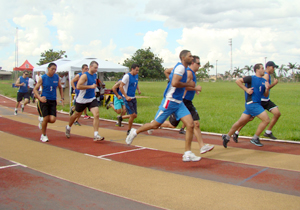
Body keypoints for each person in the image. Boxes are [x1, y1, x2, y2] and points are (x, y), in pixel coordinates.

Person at [126, 50, 201, 162]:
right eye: (190, 56)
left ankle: (187, 154)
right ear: (183, 57)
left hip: (179, 102)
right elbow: (175, 83)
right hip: (170, 101)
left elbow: (170, 76)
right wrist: (189, 84)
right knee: (155, 125)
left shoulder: (183, 69)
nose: (192, 57)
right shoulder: (180, 68)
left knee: (190, 125)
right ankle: (134, 132)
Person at [149, 56, 214, 154]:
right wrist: (195, 88)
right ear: (192, 63)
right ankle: (153, 124)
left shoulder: (191, 73)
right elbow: (184, 86)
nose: (199, 65)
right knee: (190, 124)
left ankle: (202, 146)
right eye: (198, 63)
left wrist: (194, 89)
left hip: (186, 102)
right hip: (182, 102)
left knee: (180, 124)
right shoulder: (188, 73)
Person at [222, 63, 270, 148]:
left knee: (240, 122)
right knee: (266, 120)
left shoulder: (264, 81)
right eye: (262, 68)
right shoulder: (251, 78)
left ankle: (227, 136)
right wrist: (246, 89)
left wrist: (267, 88)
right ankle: (255, 138)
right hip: (252, 103)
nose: (264, 70)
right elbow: (238, 81)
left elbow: (265, 95)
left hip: (256, 104)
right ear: (257, 70)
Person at [232, 61, 281, 141]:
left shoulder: (267, 75)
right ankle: (237, 132)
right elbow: (263, 88)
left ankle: (268, 131)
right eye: (273, 67)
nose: (274, 69)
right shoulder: (265, 76)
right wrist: (274, 84)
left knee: (277, 113)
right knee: (248, 118)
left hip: (266, 100)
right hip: (260, 101)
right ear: (268, 67)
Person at [65, 61, 104, 141]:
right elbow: (78, 86)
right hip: (82, 99)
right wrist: (90, 87)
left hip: (91, 98)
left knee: (96, 114)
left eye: (97, 68)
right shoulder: (84, 76)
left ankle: (96, 134)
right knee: (76, 114)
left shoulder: (95, 76)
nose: (96, 69)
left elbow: (93, 85)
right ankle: (68, 127)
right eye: (95, 67)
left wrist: (94, 90)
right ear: (91, 67)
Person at [34, 63, 64, 142]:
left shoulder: (57, 77)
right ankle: (43, 135)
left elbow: (60, 87)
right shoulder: (43, 78)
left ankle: (41, 121)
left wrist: (62, 98)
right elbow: (35, 89)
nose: (54, 71)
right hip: (44, 100)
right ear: (48, 68)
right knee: (46, 118)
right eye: (52, 69)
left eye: (55, 69)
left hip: (53, 100)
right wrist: (40, 98)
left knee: (52, 119)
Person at [119, 64, 140, 134]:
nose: (137, 71)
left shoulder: (136, 76)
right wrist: (125, 96)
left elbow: (136, 83)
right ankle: (129, 130)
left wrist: (138, 90)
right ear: (132, 69)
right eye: (136, 70)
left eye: (138, 70)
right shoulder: (127, 76)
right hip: (127, 98)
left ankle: (121, 118)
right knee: (132, 115)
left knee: (135, 115)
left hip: (133, 97)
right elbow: (121, 86)